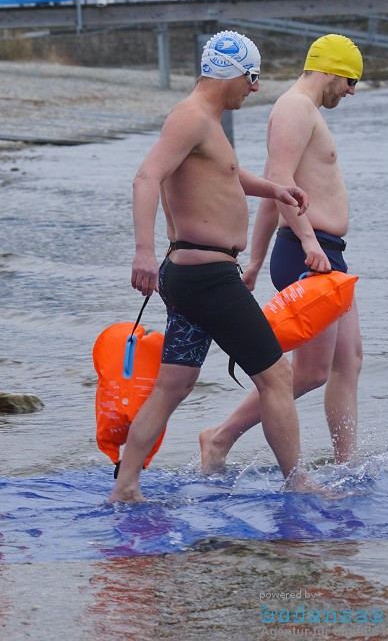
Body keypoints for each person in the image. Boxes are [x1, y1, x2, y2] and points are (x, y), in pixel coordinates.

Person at [109, 30, 321, 503]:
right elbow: (146, 177)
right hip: (208, 278)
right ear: (235, 74)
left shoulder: (207, 121)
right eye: (252, 78)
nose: (255, 88)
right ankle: (299, 481)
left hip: (191, 276)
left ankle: (125, 486)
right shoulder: (190, 118)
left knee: (174, 384)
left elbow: (225, 177)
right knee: (276, 377)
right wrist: (142, 251)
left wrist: (276, 190)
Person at [200, 35, 364, 473]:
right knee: (310, 373)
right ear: (328, 69)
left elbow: (275, 195)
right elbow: (277, 177)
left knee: (349, 361)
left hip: (325, 253)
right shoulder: (294, 108)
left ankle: (348, 466)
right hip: (310, 256)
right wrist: (309, 243)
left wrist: (254, 260)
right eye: (350, 81)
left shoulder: (304, 111)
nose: (351, 91)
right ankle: (218, 438)